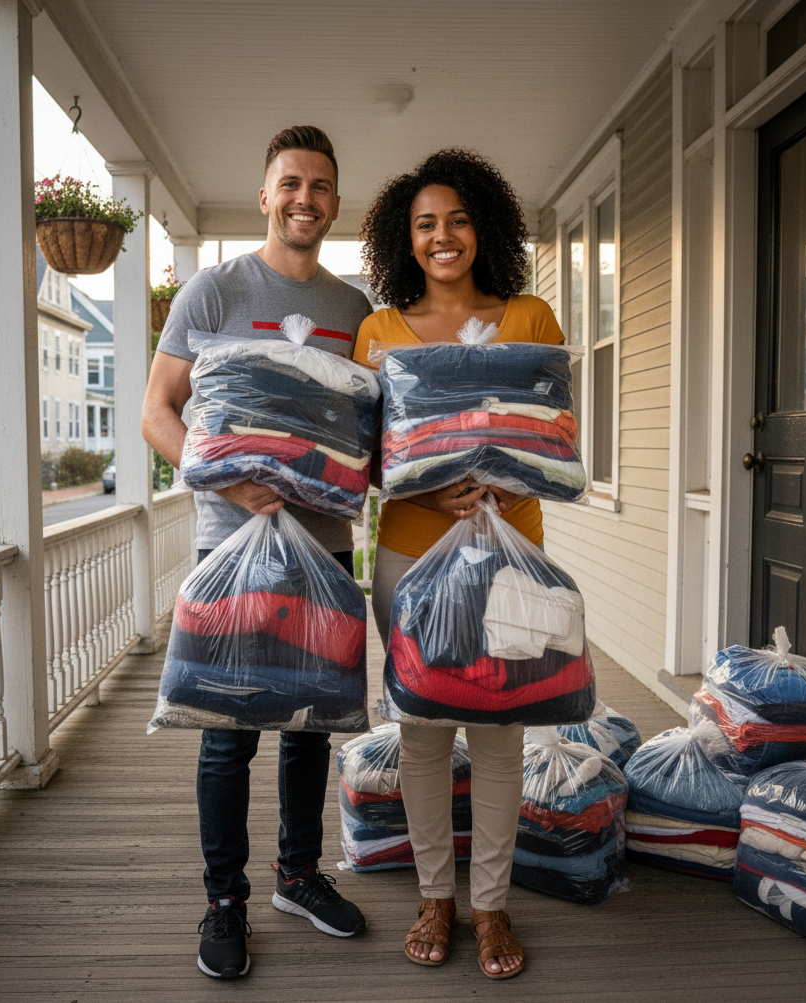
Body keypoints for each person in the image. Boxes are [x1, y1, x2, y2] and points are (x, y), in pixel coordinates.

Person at [142, 125, 373, 980]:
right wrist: (229, 481)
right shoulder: (213, 290)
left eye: (318, 184)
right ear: (265, 192)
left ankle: (300, 875)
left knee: (313, 723)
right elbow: (158, 411)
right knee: (229, 730)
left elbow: (370, 437)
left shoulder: (355, 311)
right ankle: (224, 899)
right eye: (289, 183)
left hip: (324, 546)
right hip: (228, 542)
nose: (303, 198)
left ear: (333, 202)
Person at [353, 148, 566, 980]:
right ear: (406, 240)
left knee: (503, 732)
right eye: (426, 225)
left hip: (511, 554)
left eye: (458, 220)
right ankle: (435, 895)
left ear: (486, 226)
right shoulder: (380, 331)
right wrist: (427, 480)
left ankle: (491, 904)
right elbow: (362, 451)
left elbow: (556, 438)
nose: (443, 237)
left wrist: (500, 480)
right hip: (410, 552)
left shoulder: (532, 317)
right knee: (423, 733)